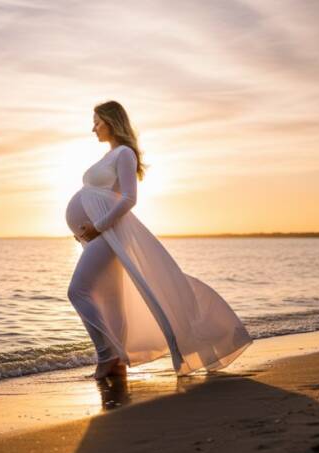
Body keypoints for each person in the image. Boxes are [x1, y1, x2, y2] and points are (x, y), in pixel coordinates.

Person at [65, 100, 254, 380]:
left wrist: (98, 226)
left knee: (78, 291)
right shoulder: (109, 155)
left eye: (97, 121)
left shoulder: (125, 154)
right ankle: (118, 362)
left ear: (111, 121)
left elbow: (130, 198)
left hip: (109, 232)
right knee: (111, 298)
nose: (92, 128)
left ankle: (107, 356)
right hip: (98, 235)